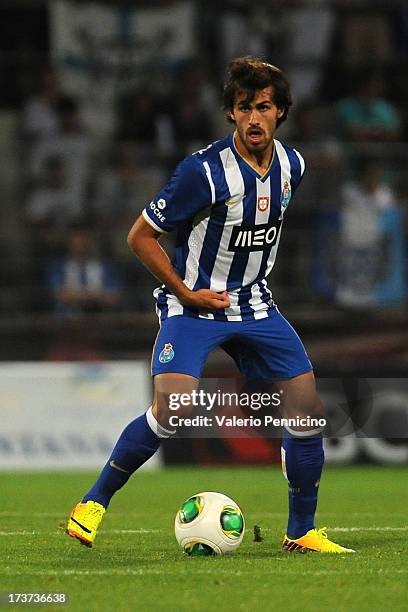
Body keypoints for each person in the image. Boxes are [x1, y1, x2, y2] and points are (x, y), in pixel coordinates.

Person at [67, 57, 354, 554]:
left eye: (264, 106)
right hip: (195, 305)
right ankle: (93, 502)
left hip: (256, 305)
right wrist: (184, 291)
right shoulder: (202, 171)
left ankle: (302, 531)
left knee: (307, 409)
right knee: (173, 408)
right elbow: (140, 237)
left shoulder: (293, 166)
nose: (253, 118)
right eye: (244, 108)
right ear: (231, 114)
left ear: (281, 111)